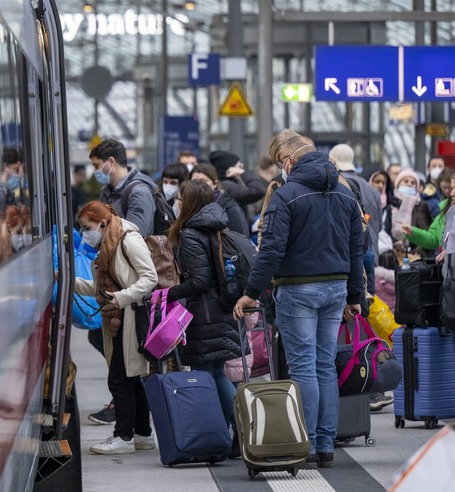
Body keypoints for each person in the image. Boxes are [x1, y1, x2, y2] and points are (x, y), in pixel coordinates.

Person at [234, 130, 365, 469]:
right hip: (336, 289)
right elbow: (356, 250)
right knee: (324, 365)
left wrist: (250, 293)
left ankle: (303, 443)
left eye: (280, 162)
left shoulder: (286, 195)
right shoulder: (346, 193)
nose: (280, 169)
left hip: (297, 290)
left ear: (290, 161)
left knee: (304, 365)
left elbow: (272, 249)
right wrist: (354, 296)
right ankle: (325, 445)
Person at [166, 180, 243, 457]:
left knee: (209, 375)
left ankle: (241, 428)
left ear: (189, 202)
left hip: (205, 313)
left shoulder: (189, 233)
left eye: (179, 198)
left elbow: (200, 280)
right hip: (221, 309)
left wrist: (169, 293)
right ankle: (237, 430)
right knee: (215, 372)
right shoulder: (217, 224)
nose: (176, 202)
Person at [74, 201, 158, 455]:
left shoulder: (127, 239)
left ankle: (123, 436)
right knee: (131, 379)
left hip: (131, 315)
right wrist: (70, 281)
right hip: (118, 317)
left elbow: (150, 277)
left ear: (102, 223)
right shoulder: (107, 245)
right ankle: (143, 434)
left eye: (86, 228)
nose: (84, 233)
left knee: (119, 379)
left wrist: (122, 297)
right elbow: (101, 289)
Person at [329, 144, 383, 296]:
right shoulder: (373, 190)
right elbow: (379, 227)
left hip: (346, 260)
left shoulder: (334, 186)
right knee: (366, 309)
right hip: (370, 256)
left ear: (332, 162)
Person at [91, 138, 157, 237]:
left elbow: (136, 237)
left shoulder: (139, 192)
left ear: (111, 162)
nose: (95, 171)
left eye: (97, 165)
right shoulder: (107, 191)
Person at [189, 164, 249, 236]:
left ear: (215, 184)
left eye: (203, 182)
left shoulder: (230, 208)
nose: (198, 186)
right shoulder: (187, 204)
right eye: (194, 181)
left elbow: (242, 240)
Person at [403, 171, 455, 252]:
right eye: (452, 188)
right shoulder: (445, 209)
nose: (451, 193)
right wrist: (412, 232)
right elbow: (433, 239)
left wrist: (449, 251)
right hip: (446, 264)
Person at [208, 150, 267, 222]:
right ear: (229, 169)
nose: (242, 167)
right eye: (239, 166)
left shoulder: (229, 184)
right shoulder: (227, 186)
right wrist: (242, 172)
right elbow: (257, 190)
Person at [392, 168, 433, 256]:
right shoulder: (391, 203)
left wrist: (416, 255)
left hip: (414, 257)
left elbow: (428, 234)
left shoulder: (421, 205)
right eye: (406, 181)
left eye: (413, 182)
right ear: (398, 184)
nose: (409, 184)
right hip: (392, 255)